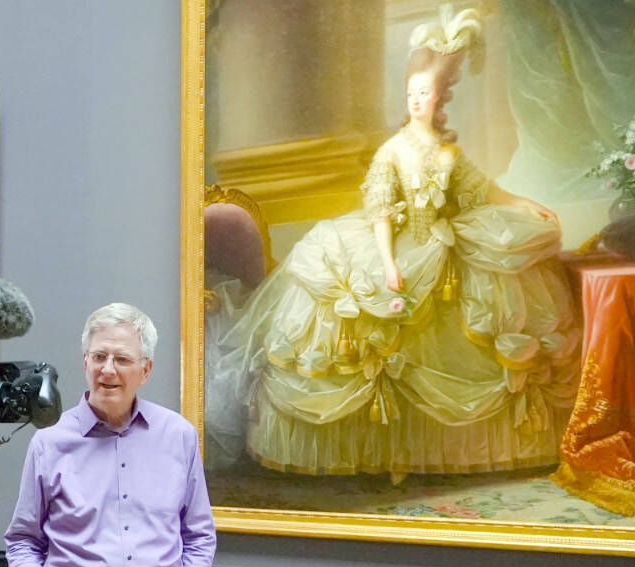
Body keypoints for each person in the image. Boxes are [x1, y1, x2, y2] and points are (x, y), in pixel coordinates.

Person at [215, 7, 580, 480]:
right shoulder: (393, 152)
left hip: (451, 246)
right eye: (413, 93)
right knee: (371, 322)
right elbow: (381, 212)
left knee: (513, 279)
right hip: (397, 244)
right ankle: (368, 451)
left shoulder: (448, 152)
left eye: (427, 94)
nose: (418, 101)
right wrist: (388, 264)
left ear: (440, 100)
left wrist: (525, 203)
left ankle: (454, 450)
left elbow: (480, 190)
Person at [4, 303, 217, 567]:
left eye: (122, 359)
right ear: (85, 362)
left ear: (146, 369)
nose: (108, 369)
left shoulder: (178, 437)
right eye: (99, 357)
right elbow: (24, 541)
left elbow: (199, 535)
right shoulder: (50, 442)